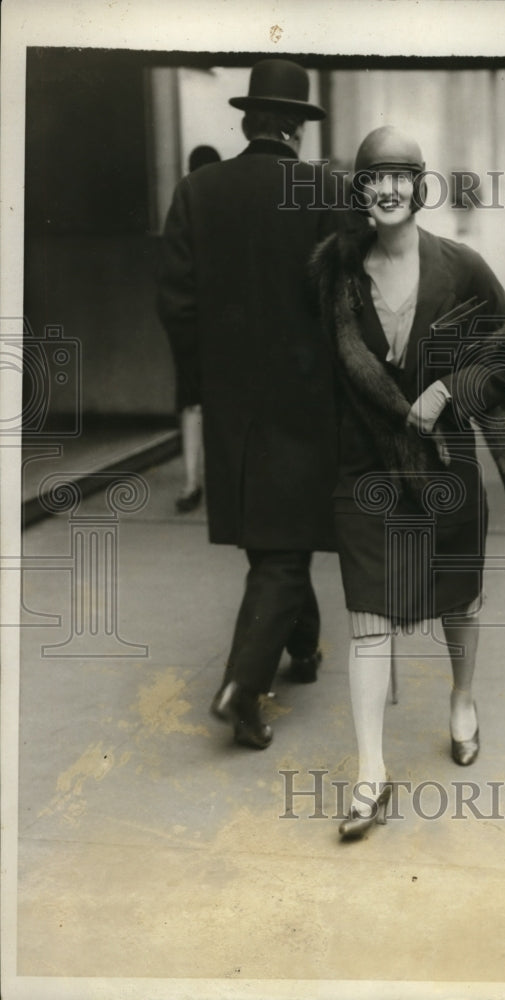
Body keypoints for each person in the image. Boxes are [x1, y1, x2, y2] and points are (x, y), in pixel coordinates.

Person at [311, 126, 505, 839]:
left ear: (419, 187)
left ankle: (462, 698)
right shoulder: (336, 272)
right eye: (374, 177)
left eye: (400, 176)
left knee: (460, 602)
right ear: (360, 190)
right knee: (367, 620)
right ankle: (370, 775)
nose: (387, 189)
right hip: (365, 467)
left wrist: (449, 385)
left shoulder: (459, 265)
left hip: (445, 464)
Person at [157, 59, 339, 749]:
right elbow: (344, 302)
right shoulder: (322, 190)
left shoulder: (197, 190)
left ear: (245, 121)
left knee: (273, 537)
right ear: (296, 125)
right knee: (286, 547)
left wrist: (203, 381)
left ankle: (305, 645)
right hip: (305, 395)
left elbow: (175, 301)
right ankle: (242, 686)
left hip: (232, 396)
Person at [171, 145, 221, 515]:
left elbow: (172, 272)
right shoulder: (226, 207)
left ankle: (192, 482)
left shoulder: (182, 202)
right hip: (224, 320)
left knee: (191, 401)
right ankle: (212, 480)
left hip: (190, 319)